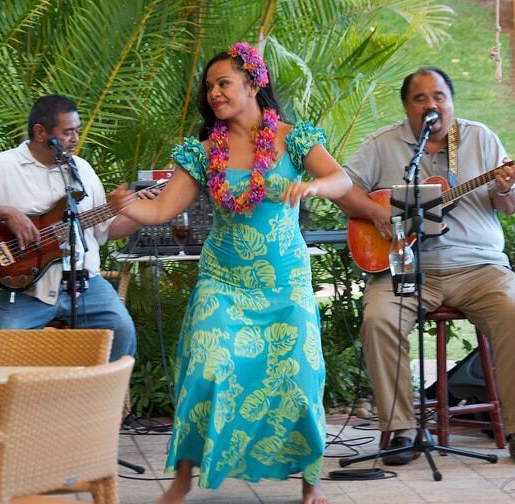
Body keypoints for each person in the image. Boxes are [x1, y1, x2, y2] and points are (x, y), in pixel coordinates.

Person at [109, 42, 351, 504]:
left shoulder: (293, 139)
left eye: (223, 83)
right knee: (205, 367)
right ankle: (181, 481)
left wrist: (314, 184)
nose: (214, 93)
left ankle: (311, 487)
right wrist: (129, 208)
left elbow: (342, 181)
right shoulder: (203, 153)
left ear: (253, 83)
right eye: (209, 86)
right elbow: (161, 209)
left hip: (285, 280)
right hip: (224, 280)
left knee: (299, 376)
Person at [333, 67, 515, 465]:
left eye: (439, 96)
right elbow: (342, 188)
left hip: (478, 267)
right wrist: (376, 216)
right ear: (408, 107)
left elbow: (509, 207)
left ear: (451, 101)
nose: (432, 105)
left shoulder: (479, 137)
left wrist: (504, 187)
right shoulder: (383, 144)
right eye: (421, 98)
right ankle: (400, 429)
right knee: (379, 318)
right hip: (406, 265)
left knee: (514, 311)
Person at [0, 94, 147, 361]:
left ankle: (102, 399)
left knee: (122, 329)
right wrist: (7, 213)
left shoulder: (82, 170)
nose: (76, 138)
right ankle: (19, 402)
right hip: (26, 291)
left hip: (85, 285)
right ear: (40, 132)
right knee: (3, 353)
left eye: (77, 131)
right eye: (67, 132)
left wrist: (141, 213)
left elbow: (106, 230)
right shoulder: (2, 167)